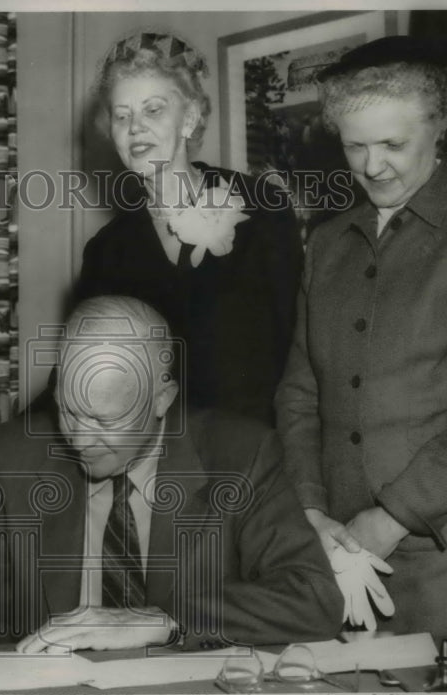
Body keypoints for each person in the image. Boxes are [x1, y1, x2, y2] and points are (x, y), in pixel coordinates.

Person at [275, 36, 447, 642]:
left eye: (394, 144)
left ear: (439, 126)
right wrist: (311, 510)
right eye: (355, 146)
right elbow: (300, 393)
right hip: (335, 551)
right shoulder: (325, 242)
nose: (373, 166)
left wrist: (391, 517)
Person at [0, 296, 343, 653]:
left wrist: (165, 622)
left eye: (104, 421)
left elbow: (312, 599)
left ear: (162, 400)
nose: (80, 440)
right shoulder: (6, 459)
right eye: (69, 410)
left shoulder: (240, 457)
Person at [73, 32, 304, 425]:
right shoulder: (106, 250)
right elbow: (87, 374)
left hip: (257, 459)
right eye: (122, 115)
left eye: (153, 110)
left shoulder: (264, 208)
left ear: (191, 118)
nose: (135, 128)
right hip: (158, 469)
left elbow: (302, 358)